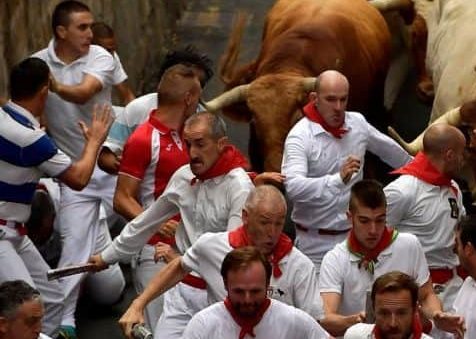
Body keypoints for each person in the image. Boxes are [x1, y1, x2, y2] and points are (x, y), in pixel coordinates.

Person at [88, 112, 254, 339]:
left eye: (200, 144)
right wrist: (108, 256)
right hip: (181, 291)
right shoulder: (183, 177)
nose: (193, 153)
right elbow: (146, 223)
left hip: (217, 294)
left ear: (221, 144)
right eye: (188, 144)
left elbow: (232, 253)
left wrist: (181, 259)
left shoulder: (240, 187)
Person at [31, 0, 126, 337]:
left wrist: (53, 85)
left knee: (154, 222)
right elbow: (34, 114)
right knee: (73, 253)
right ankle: (65, 324)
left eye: (91, 26)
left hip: (115, 167)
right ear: (61, 31)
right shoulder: (36, 65)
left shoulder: (101, 56)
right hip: (74, 177)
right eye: (82, 27)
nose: (90, 33)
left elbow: (86, 93)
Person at [0, 57, 111, 336]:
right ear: (44, 92)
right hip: (3, 234)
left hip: (15, 233)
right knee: (24, 312)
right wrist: (95, 140)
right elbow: (79, 178)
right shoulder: (31, 139)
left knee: (51, 299)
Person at [118, 185, 321, 336]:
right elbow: (178, 268)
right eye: (265, 222)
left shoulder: (300, 266)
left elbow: (315, 324)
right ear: (245, 216)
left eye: (279, 223)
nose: (272, 232)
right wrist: (137, 305)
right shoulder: (211, 246)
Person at [282, 70, 411, 268]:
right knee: (318, 300)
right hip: (313, 246)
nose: (338, 107)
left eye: (343, 100)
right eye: (331, 100)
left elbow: (390, 151)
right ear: (314, 98)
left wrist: (424, 171)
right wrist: (337, 179)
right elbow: (293, 187)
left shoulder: (357, 122)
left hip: (353, 241)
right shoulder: (299, 136)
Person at [111, 64, 202, 333]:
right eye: (198, 98)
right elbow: (122, 198)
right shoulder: (143, 139)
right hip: (154, 254)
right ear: (188, 99)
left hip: (188, 250)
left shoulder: (190, 136)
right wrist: (155, 224)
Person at [318, 180, 463, 337]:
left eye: (380, 220)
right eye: (364, 221)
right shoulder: (335, 259)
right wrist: (357, 321)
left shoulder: (409, 244)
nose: (373, 230)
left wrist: (436, 315)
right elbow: (327, 319)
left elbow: (427, 295)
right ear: (349, 217)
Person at [385, 123, 466, 315]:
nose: (464, 160)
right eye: (462, 154)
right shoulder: (402, 191)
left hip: (453, 286)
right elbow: (373, 239)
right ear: (449, 155)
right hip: (415, 292)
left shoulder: (452, 187)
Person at [100, 45, 214, 174]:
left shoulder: (206, 122)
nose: (193, 90)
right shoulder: (137, 109)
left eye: (199, 85)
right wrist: (120, 165)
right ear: (164, 80)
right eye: (185, 82)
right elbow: (106, 156)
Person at [181, 247, 329, 339]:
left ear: (267, 283)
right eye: (239, 291)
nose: (247, 300)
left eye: (255, 291)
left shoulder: (293, 320)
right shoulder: (203, 324)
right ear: (226, 284)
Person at [344, 272, 434, 339]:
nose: (393, 324)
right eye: (384, 313)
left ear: (415, 310)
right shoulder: (355, 336)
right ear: (373, 310)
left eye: (401, 313)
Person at [90, 22, 135, 105]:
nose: (111, 55)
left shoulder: (111, 57)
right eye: (107, 51)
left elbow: (127, 95)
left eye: (112, 50)